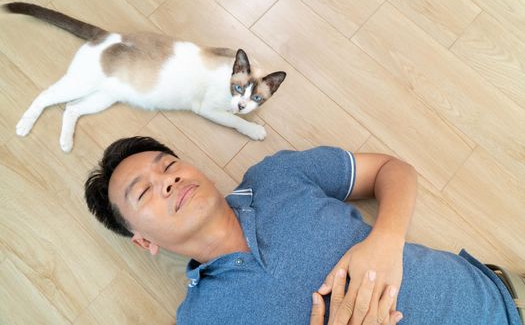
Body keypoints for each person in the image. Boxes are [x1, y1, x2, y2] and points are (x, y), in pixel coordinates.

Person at [84, 137, 522, 324]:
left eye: (169, 165)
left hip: (500, 295)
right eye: (144, 193)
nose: (167, 181)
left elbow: (393, 170)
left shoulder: (275, 176)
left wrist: (385, 240)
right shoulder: (200, 319)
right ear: (143, 240)